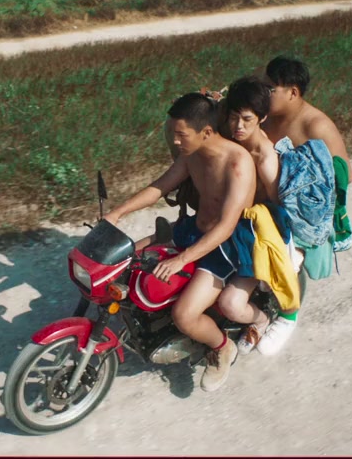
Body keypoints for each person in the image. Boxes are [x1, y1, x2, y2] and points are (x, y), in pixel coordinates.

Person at [102, 92, 257, 392]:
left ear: (206, 132)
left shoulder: (237, 163)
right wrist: (117, 213)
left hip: (224, 246)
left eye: (180, 135)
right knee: (125, 258)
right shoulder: (192, 154)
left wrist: (181, 260)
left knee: (184, 315)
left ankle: (222, 347)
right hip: (194, 230)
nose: (174, 141)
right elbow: (159, 187)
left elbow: (226, 226)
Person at [255, 55, 352, 353]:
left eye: (270, 89)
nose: (264, 94)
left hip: (300, 215)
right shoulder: (265, 114)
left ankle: (288, 315)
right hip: (261, 200)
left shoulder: (316, 126)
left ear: (293, 92)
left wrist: (299, 181)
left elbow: (345, 173)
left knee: (285, 258)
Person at [211, 75, 305, 356]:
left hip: (249, 233)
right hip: (222, 220)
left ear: (262, 118)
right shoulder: (228, 136)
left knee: (230, 304)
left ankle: (262, 320)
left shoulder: (265, 157)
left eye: (247, 119)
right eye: (234, 117)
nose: (238, 126)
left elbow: (277, 207)